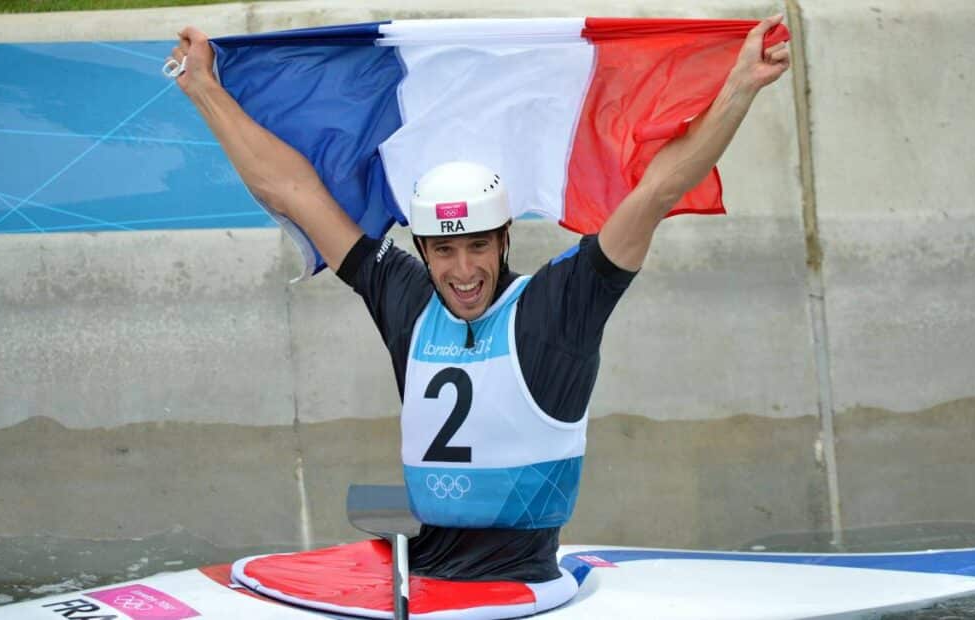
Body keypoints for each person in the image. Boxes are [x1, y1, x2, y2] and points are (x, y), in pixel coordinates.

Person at [170, 15, 790, 585]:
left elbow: (657, 189)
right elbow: (294, 192)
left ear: (504, 239)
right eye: (442, 251)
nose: (462, 271)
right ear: (422, 249)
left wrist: (741, 86)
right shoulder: (405, 296)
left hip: (518, 590)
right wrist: (204, 89)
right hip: (418, 580)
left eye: (477, 248)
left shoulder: (559, 307)